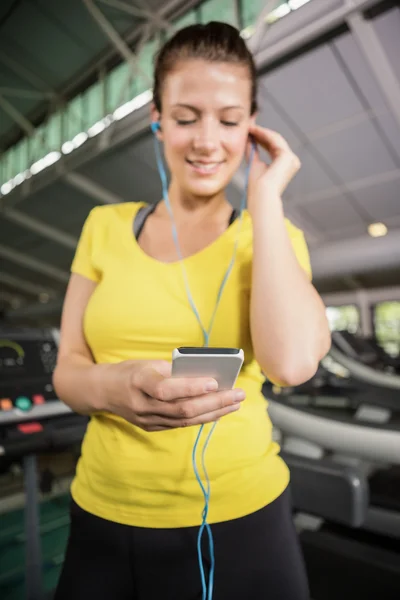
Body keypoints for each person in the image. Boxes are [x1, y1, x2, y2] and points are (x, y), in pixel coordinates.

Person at [53, 21, 331, 600]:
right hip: (103, 513)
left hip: (242, 518)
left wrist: (265, 197)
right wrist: (114, 385)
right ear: (157, 118)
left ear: (251, 125)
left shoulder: (272, 236)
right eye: (185, 117)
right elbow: (69, 369)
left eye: (229, 120)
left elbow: (291, 363)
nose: (207, 141)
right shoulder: (103, 228)